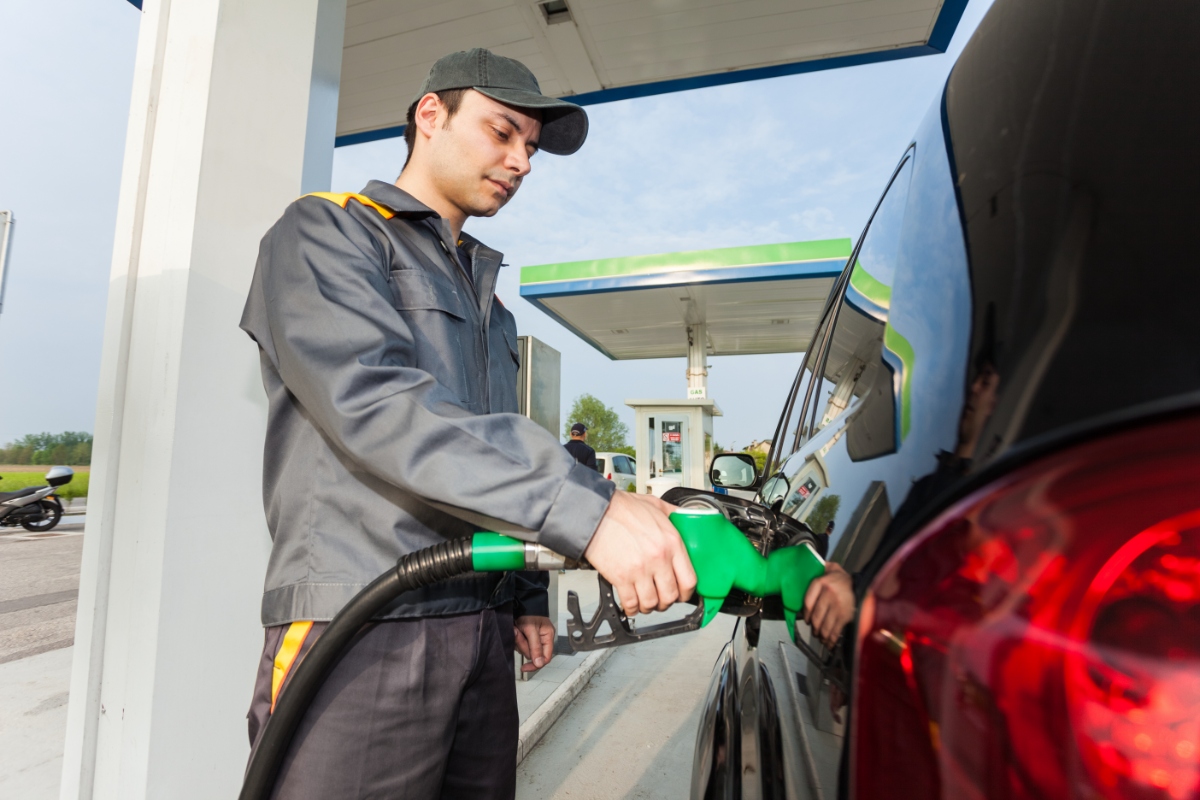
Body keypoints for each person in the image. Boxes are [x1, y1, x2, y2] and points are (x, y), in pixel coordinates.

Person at [239, 48, 696, 800]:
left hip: (479, 630)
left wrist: (521, 596)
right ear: (431, 115)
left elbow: (483, 441)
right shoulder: (328, 235)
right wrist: (590, 510)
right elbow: (378, 405)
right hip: (365, 623)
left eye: (531, 148)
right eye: (502, 131)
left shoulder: (494, 307)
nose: (521, 161)